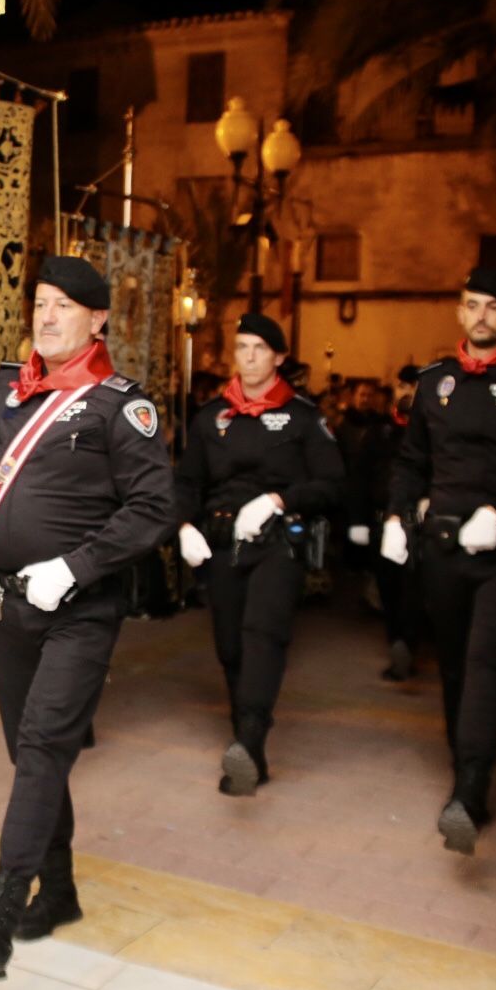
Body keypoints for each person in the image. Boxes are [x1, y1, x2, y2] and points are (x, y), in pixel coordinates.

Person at [0, 256, 174, 978]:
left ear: (96, 320)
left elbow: (154, 509)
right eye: (40, 302)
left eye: (63, 305)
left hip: (79, 611)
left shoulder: (123, 407)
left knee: (41, 749)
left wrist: (76, 567)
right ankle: (57, 892)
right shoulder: (4, 386)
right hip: (10, 602)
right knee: (30, 755)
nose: (47, 316)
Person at [383, 267, 496, 855]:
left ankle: (471, 792)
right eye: (471, 305)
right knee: (455, 665)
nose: (481, 315)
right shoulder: (435, 382)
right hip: (443, 548)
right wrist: (396, 515)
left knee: (488, 663)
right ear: (460, 312)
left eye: (493, 307)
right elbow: (412, 461)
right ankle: (465, 772)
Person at [175, 314, 343, 794]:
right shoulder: (212, 416)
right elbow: (188, 480)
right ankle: (245, 738)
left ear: (279, 358)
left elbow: (332, 482)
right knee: (230, 646)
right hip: (224, 542)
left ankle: (249, 745)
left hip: (276, 544)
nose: (248, 357)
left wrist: (278, 500)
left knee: (261, 635)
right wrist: (183, 525)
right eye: (242, 347)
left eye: (258, 349)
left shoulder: (303, 417)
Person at [334, 380, 417, 680]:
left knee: (413, 589)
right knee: (389, 588)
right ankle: (397, 640)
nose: (408, 391)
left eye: (414, 385)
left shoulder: (434, 430)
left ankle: (406, 643)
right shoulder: (378, 432)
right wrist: (356, 520)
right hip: (381, 520)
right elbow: (359, 477)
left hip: (419, 523)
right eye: (403, 385)